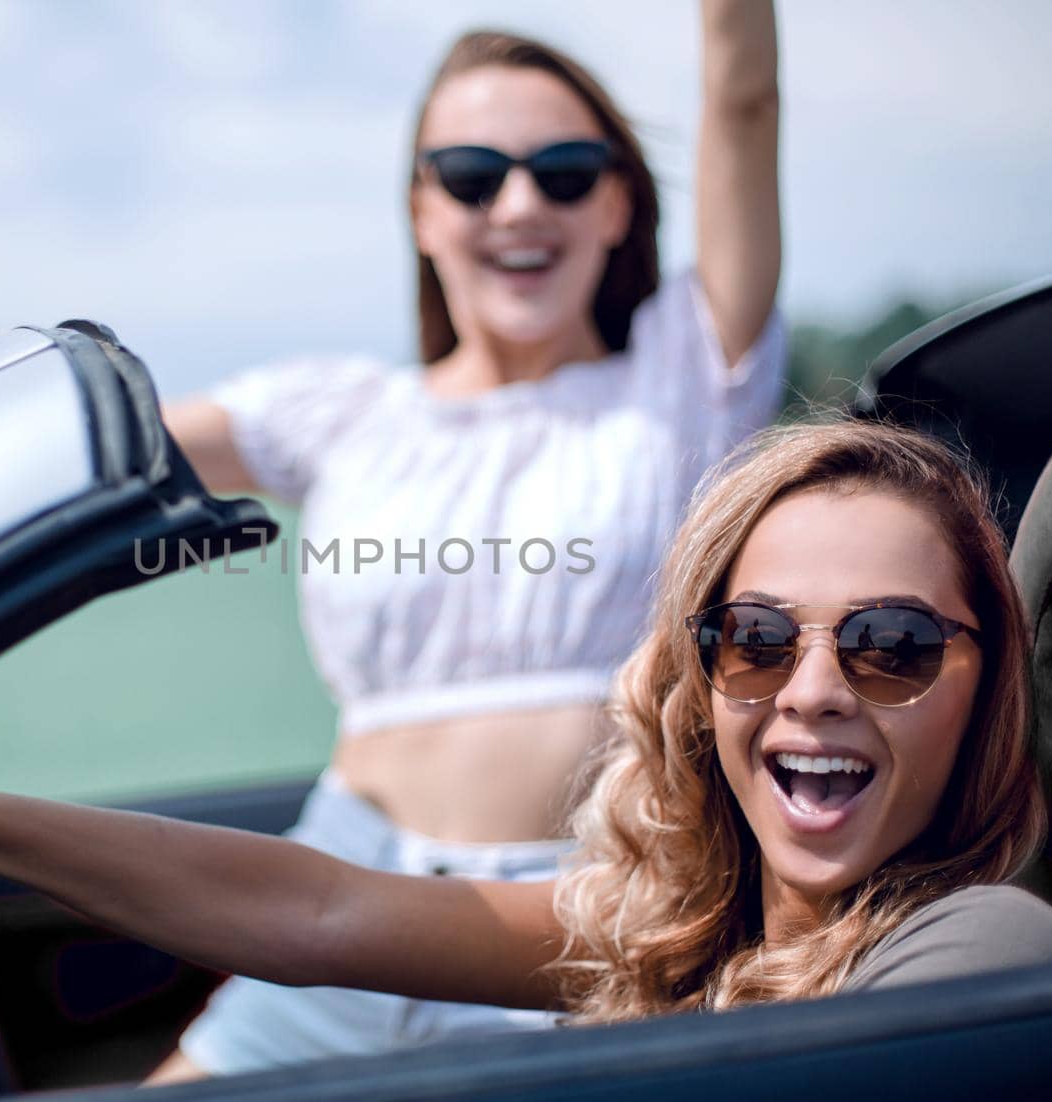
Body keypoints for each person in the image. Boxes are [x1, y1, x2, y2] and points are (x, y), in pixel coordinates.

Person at [0, 422, 1052, 1053]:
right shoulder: (698, 927)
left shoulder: (984, 958)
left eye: (894, 646)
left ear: (989, 686)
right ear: (701, 676)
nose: (811, 688)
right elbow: (325, 912)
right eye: (756, 635)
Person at [145, 0, 783, 1076]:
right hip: (331, 914)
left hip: (587, 934)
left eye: (567, 171)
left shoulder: (685, 373)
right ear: (419, 211)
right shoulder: (339, 412)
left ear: (621, 204)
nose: (519, 203)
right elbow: (70, 462)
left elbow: (744, 99)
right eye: (473, 175)